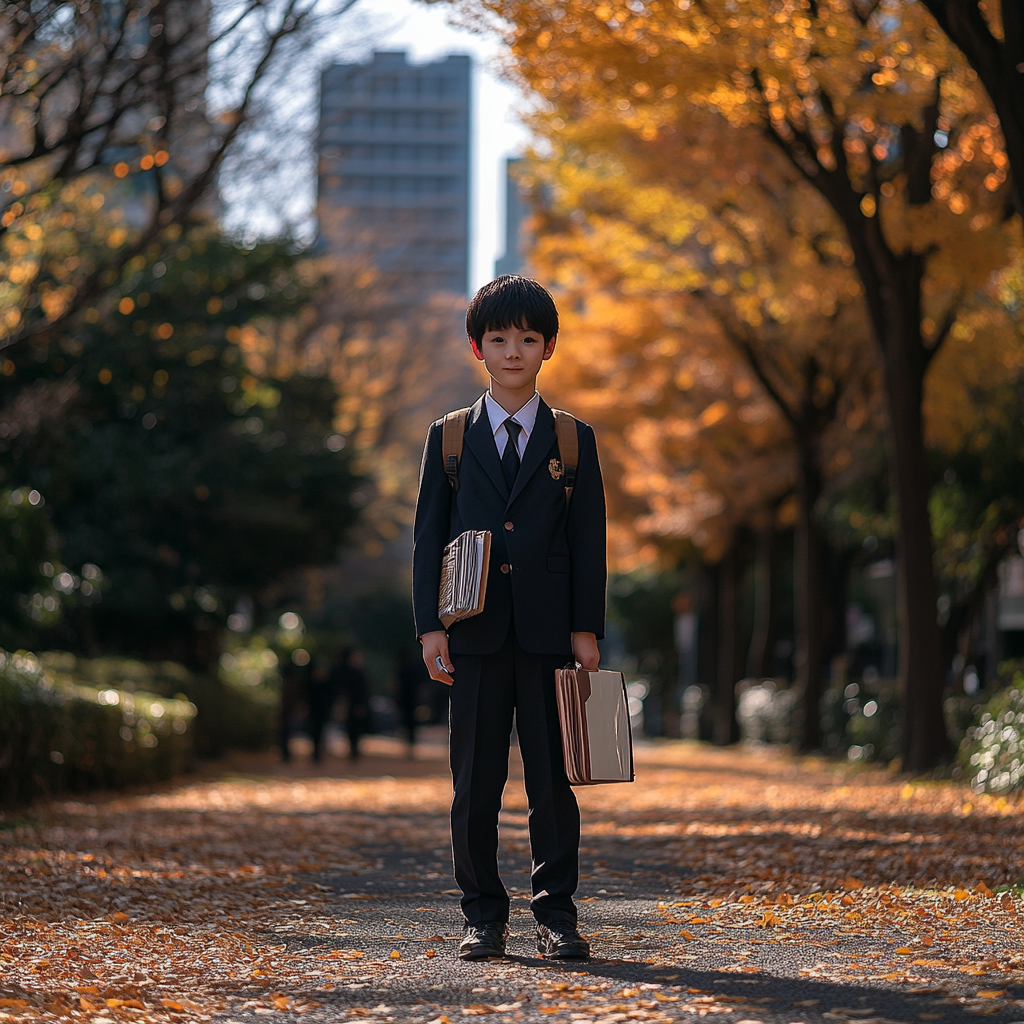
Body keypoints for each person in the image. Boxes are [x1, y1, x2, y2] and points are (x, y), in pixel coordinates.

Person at [412, 275, 607, 962]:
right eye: (500, 338)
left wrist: (587, 628)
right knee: (475, 783)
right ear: (478, 348)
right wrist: (430, 627)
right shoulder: (450, 439)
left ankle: (556, 916)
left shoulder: (574, 440)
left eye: (529, 338)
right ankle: (482, 917)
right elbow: (428, 536)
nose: (514, 350)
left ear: (549, 346)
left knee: (554, 783)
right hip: (474, 633)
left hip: (552, 634)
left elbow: (589, 542)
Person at [331, 647, 369, 761]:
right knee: (354, 727)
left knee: (349, 726)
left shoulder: (337, 670)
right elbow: (362, 690)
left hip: (345, 702)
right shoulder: (357, 671)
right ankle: (354, 750)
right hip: (353, 703)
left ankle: (353, 749)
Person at [396, 649, 429, 757]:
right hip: (412, 699)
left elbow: (396, 685)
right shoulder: (414, 668)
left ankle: (409, 743)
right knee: (411, 722)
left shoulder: (401, 668)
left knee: (406, 720)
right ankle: (411, 742)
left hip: (404, 699)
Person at [306, 657, 337, 763]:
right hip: (313, 710)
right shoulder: (310, 682)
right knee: (314, 730)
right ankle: (315, 752)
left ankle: (321, 750)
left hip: (324, 710)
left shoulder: (329, 682)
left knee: (323, 730)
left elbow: (333, 696)